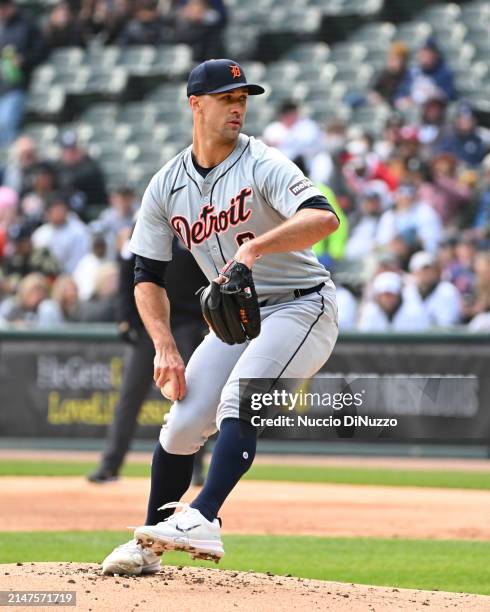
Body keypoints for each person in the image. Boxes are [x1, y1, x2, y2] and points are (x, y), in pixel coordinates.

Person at [101, 58, 340, 575]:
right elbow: (146, 274)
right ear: (196, 104)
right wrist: (165, 345)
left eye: (243, 99)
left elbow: (322, 216)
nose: (238, 108)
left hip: (303, 305)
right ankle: (147, 547)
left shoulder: (263, 163)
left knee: (240, 398)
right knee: (182, 425)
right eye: (228, 98)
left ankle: (205, 515)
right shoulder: (166, 184)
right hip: (239, 318)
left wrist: (253, 252)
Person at [88, 235, 208, 484]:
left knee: (192, 398)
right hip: (149, 326)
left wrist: (205, 319)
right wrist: (125, 317)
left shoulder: (200, 219)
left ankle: (194, 467)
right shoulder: (149, 220)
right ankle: (110, 465)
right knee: (129, 398)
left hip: (187, 323)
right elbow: (126, 271)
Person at [0, 0, 47, 146]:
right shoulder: (3, 27)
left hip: (16, 85)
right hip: (3, 84)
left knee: (6, 125)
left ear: (10, 6)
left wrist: (23, 59)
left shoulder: (27, 24)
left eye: (2, 8)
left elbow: (42, 52)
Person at [31, 192, 91, 274]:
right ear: (47, 213)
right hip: (48, 276)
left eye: (61, 209)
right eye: (55, 210)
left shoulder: (79, 231)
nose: (58, 213)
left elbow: (82, 260)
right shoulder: (40, 234)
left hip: (74, 275)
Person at [357, 271, 431, 332]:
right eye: (383, 295)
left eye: (390, 294)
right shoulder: (369, 312)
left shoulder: (415, 312)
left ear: (398, 295)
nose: (387, 299)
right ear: (378, 296)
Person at [403, 250, 461, 327]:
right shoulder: (407, 292)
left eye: (429, 269)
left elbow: (449, 322)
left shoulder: (447, 290)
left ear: (435, 271)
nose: (426, 273)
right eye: (422, 270)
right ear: (414, 272)